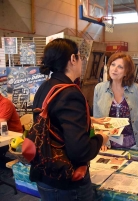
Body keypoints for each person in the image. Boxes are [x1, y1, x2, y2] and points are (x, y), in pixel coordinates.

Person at [31, 38, 108, 201]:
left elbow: (53, 124)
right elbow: (80, 151)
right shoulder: (70, 93)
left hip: (45, 172)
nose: (82, 61)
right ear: (73, 59)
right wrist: (101, 138)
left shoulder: (45, 87)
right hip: (67, 180)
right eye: (80, 57)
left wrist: (87, 120)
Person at [93, 52, 138, 151]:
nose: (114, 69)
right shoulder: (99, 88)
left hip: (135, 144)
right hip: (108, 144)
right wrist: (100, 141)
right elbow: (97, 119)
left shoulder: (137, 89)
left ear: (127, 72)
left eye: (120, 67)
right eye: (113, 65)